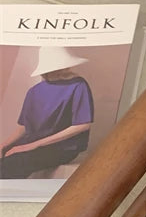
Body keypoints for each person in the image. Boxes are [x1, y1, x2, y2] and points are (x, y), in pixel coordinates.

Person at [0, 46, 94, 179]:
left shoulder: (78, 85)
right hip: (33, 145)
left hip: (63, 147)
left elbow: (82, 125)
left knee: (15, 163)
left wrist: (33, 145)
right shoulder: (34, 91)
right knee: (7, 159)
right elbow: (23, 127)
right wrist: (3, 145)